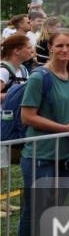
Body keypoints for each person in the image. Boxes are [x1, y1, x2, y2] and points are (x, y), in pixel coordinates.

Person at [18, 28, 69, 236]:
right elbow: (27, 116)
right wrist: (65, 129)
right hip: (41, 157)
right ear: (50, 47)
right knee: (35, 213)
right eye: (60, 46)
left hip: (65, 156)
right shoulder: (39, 77)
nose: (65, 50)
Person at [1, 34, 32, 218]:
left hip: (12, 123)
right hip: (1, 122)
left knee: (3, 166)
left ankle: (2, 200)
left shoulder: (24, 71)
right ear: (17, 50)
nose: (31, 50)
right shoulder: (3, 70)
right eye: (28, 47)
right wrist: (16, 94)